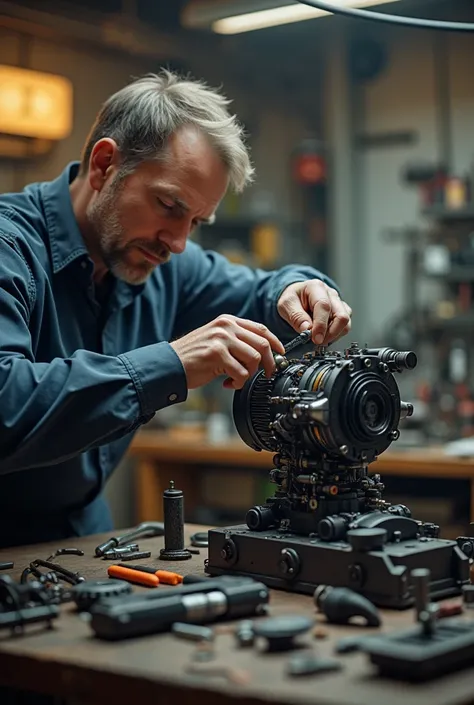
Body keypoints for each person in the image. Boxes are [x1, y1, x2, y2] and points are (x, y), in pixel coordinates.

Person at [0, 70, 351, 549]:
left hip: (81, 538)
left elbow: (261, 294)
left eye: (196, 222)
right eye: (168, 206)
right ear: (104, 165)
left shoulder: (160, 263)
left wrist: (303, 288)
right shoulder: (10, 249)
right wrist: (170, 366)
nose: (179, 243)